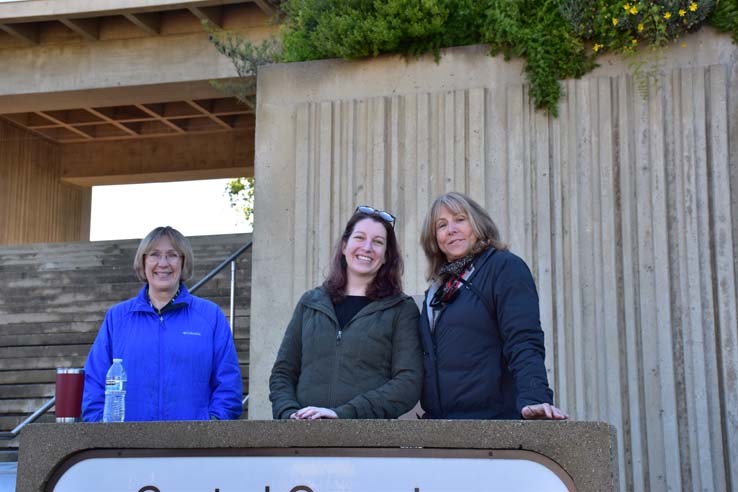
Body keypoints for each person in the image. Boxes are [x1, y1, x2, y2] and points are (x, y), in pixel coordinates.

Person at [419, 192, 567, 420]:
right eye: (442, 225)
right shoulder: (436, 291)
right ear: (434, 238)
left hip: (493, 423)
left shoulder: (504, 268)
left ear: (477, 224)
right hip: (443, 428)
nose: (451, 229)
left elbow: (523, 339)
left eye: (460, 219)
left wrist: (535, 397)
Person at [270, 206, 423, 419]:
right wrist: (288, 414)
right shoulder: (310, 303)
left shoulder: (400, 309)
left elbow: (408, 383)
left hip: (366, 442)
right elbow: (282, 373)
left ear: (386, 256)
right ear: (344, 246)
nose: (367, 247)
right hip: (302, 438)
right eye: (359, 238)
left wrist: (343, 414)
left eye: (378, 242)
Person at [82, 226, 243, 422]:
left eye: (172, 255)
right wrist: (101, 431)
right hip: (124, 447)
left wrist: (211, 429)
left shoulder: (210, 317)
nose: (163, 263)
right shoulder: (117, 318)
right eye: (154, 255)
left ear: (183, 262)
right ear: (143, 261)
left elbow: (228, 386)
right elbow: (94, 383)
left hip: (194, 446)